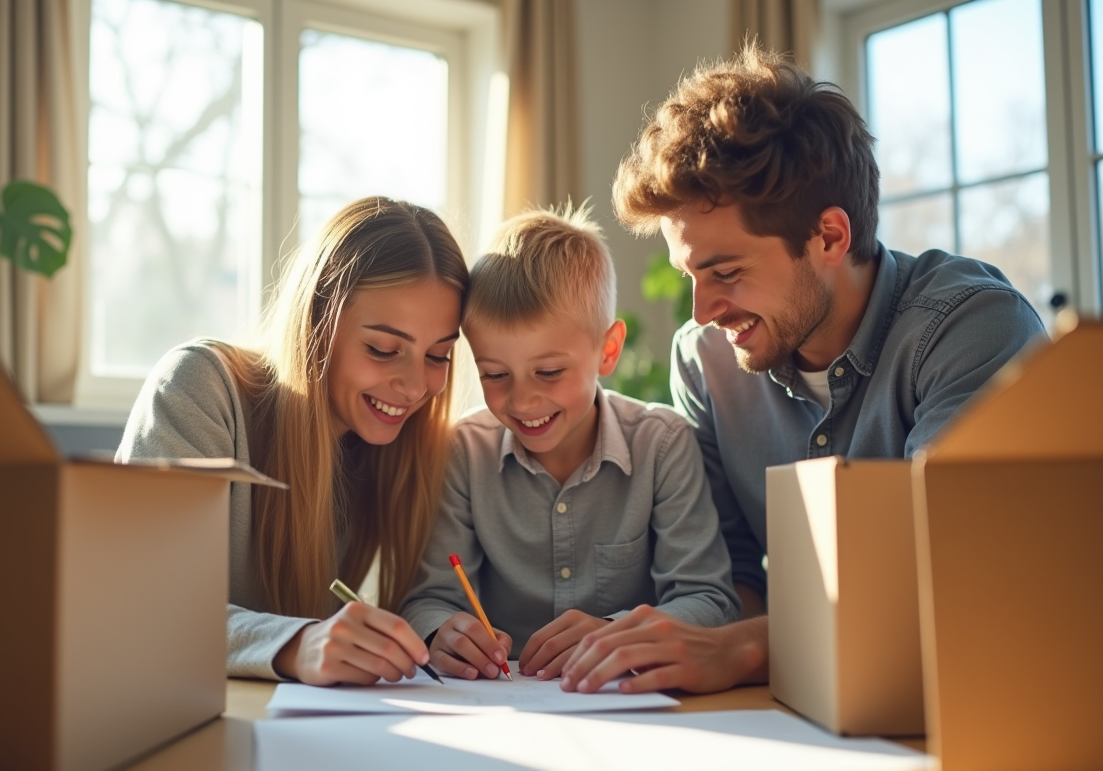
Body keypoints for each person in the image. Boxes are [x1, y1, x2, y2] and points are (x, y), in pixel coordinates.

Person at [559, 46, 1046, 695]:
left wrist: (746, 650)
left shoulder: (970, 330)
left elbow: (961, 580)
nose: (701, 311)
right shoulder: (704, 362)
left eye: (726, 272)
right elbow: (731, 579)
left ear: (830, 238)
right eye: (689, 276)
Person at [116, 197, 469, 685]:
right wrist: (296, 644)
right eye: (383, 349)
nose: (414, 386)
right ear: (317, 325)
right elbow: (141, 606)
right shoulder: (197, 387)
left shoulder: (393, 446)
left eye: (439, 356)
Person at [399, 205, 740, 682]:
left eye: (549, 372)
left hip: (627, 708)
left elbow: (711, 601)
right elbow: (428, 600)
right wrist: (441, 632)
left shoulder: (663, 446)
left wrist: (614, 634)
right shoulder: (462, 452)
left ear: (608, 349)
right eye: (495, 375)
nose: (521, 399)